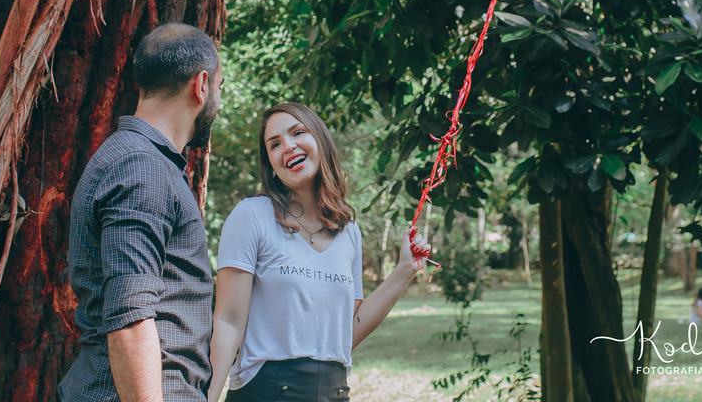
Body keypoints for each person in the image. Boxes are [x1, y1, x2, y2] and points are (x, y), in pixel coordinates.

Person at [208, 103, 432, 402]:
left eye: (297, 132)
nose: (287, 146)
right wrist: (208, 396)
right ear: (270, 163)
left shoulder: (348, 230)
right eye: (274, 144)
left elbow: (345, 333)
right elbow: (228, 321)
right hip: (265, 392)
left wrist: (405, 270)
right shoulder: (252, 215)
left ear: (320, 142)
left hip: (333, 392)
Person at [60, 23, 224, 402]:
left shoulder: (144, 161)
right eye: (219, 88)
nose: (217, 98)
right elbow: (130, 320)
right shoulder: (142, 167)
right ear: (201, 85)